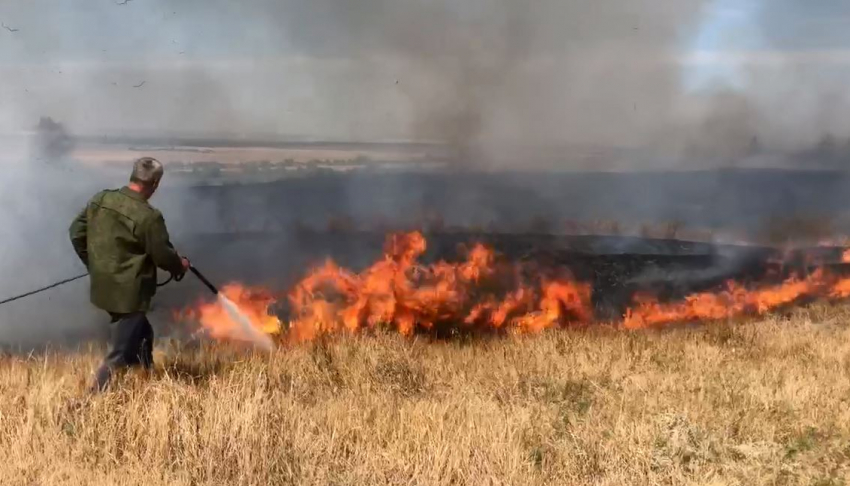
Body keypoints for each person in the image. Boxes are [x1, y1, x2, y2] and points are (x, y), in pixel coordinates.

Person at [69, 157, 190, 391]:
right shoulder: (148, 217)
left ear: (133, 176)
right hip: (129, 294)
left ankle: (145, 380)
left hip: (102, 287)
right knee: (119, 353)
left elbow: (76, 232)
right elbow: (163, 255)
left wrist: (94, 262)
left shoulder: (101, 199)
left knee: (143, 333)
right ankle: (86, 405)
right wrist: (180, 265)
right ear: (154, 183)